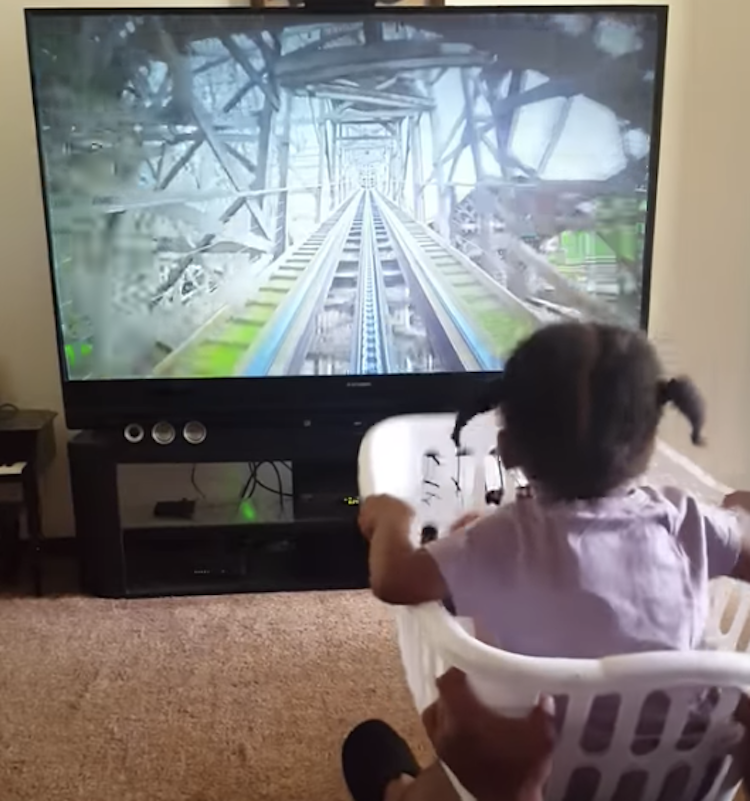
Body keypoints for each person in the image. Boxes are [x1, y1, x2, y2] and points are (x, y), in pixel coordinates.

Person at [344, 321, 750, 801]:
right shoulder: (684, 520)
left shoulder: (499, 540)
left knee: (371, 747)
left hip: (526, 771)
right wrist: (735, 512)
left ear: (508, 448)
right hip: (677, 777)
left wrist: (392, 518)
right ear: (649, 441)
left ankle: (399, 793)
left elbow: (394, 580)